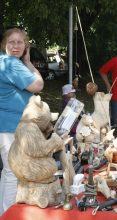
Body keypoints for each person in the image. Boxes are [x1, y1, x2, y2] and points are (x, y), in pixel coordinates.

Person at [0, 27, 44, 214]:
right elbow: (38, 85)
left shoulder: (6, 62)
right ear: (4, 45)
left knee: (7, 172)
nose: (16, 45)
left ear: (25, 45)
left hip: (7, 127)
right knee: (14, 172)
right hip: (10, 128)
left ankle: (3, 212)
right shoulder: (10, 63)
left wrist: (25, 62)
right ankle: (9, 214)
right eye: (12, 42)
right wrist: (28, 62)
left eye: (20, 42)